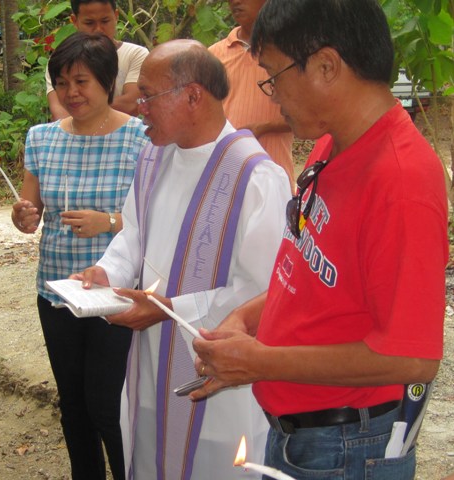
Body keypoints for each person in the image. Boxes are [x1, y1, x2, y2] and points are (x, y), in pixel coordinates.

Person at [190, 1, 449, 479]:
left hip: (347, 446)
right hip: (302, 433)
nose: (272, 95)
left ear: (327, 66)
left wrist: (261, 362)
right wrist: (246, 320)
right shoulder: (334, 145)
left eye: (273, 76)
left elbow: (411, 358)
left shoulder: (400, 181)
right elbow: (309, 275)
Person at [75, 39, 291, 479]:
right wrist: (107, 271)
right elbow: (135, 234)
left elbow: (264, 293)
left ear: (194, 96)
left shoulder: (256, 177)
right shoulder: (153, 156)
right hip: (151, 356)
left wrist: (171, 309)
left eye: (148, 96)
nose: (138, 109)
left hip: (216, 371)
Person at [12, 32, 149, 480]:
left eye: (82, 81)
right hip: (57, 290)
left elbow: (158, 219)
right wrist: (24, 215)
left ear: (108, 82)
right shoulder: (41, 138)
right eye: (62, 82)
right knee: (73, 405)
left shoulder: (142, 138)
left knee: (109, 405)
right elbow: (31, 213)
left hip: (115, 294)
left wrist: (107, 221)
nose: (71, 93)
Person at [208, 0, 295, 188]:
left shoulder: (291, 51)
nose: (235, 2)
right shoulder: (214, 55)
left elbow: (312, 112)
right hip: (223, 179)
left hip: (273, 175)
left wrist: (263, 127)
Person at [46, 0, 148, 120]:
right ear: (75, 21)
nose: (99, 29)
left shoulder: (135, 55)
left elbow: (131, 104)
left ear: (116, 16)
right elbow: (59, 113)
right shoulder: (61, 60)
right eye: (89, 23)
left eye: (105, 21)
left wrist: (81, 111)